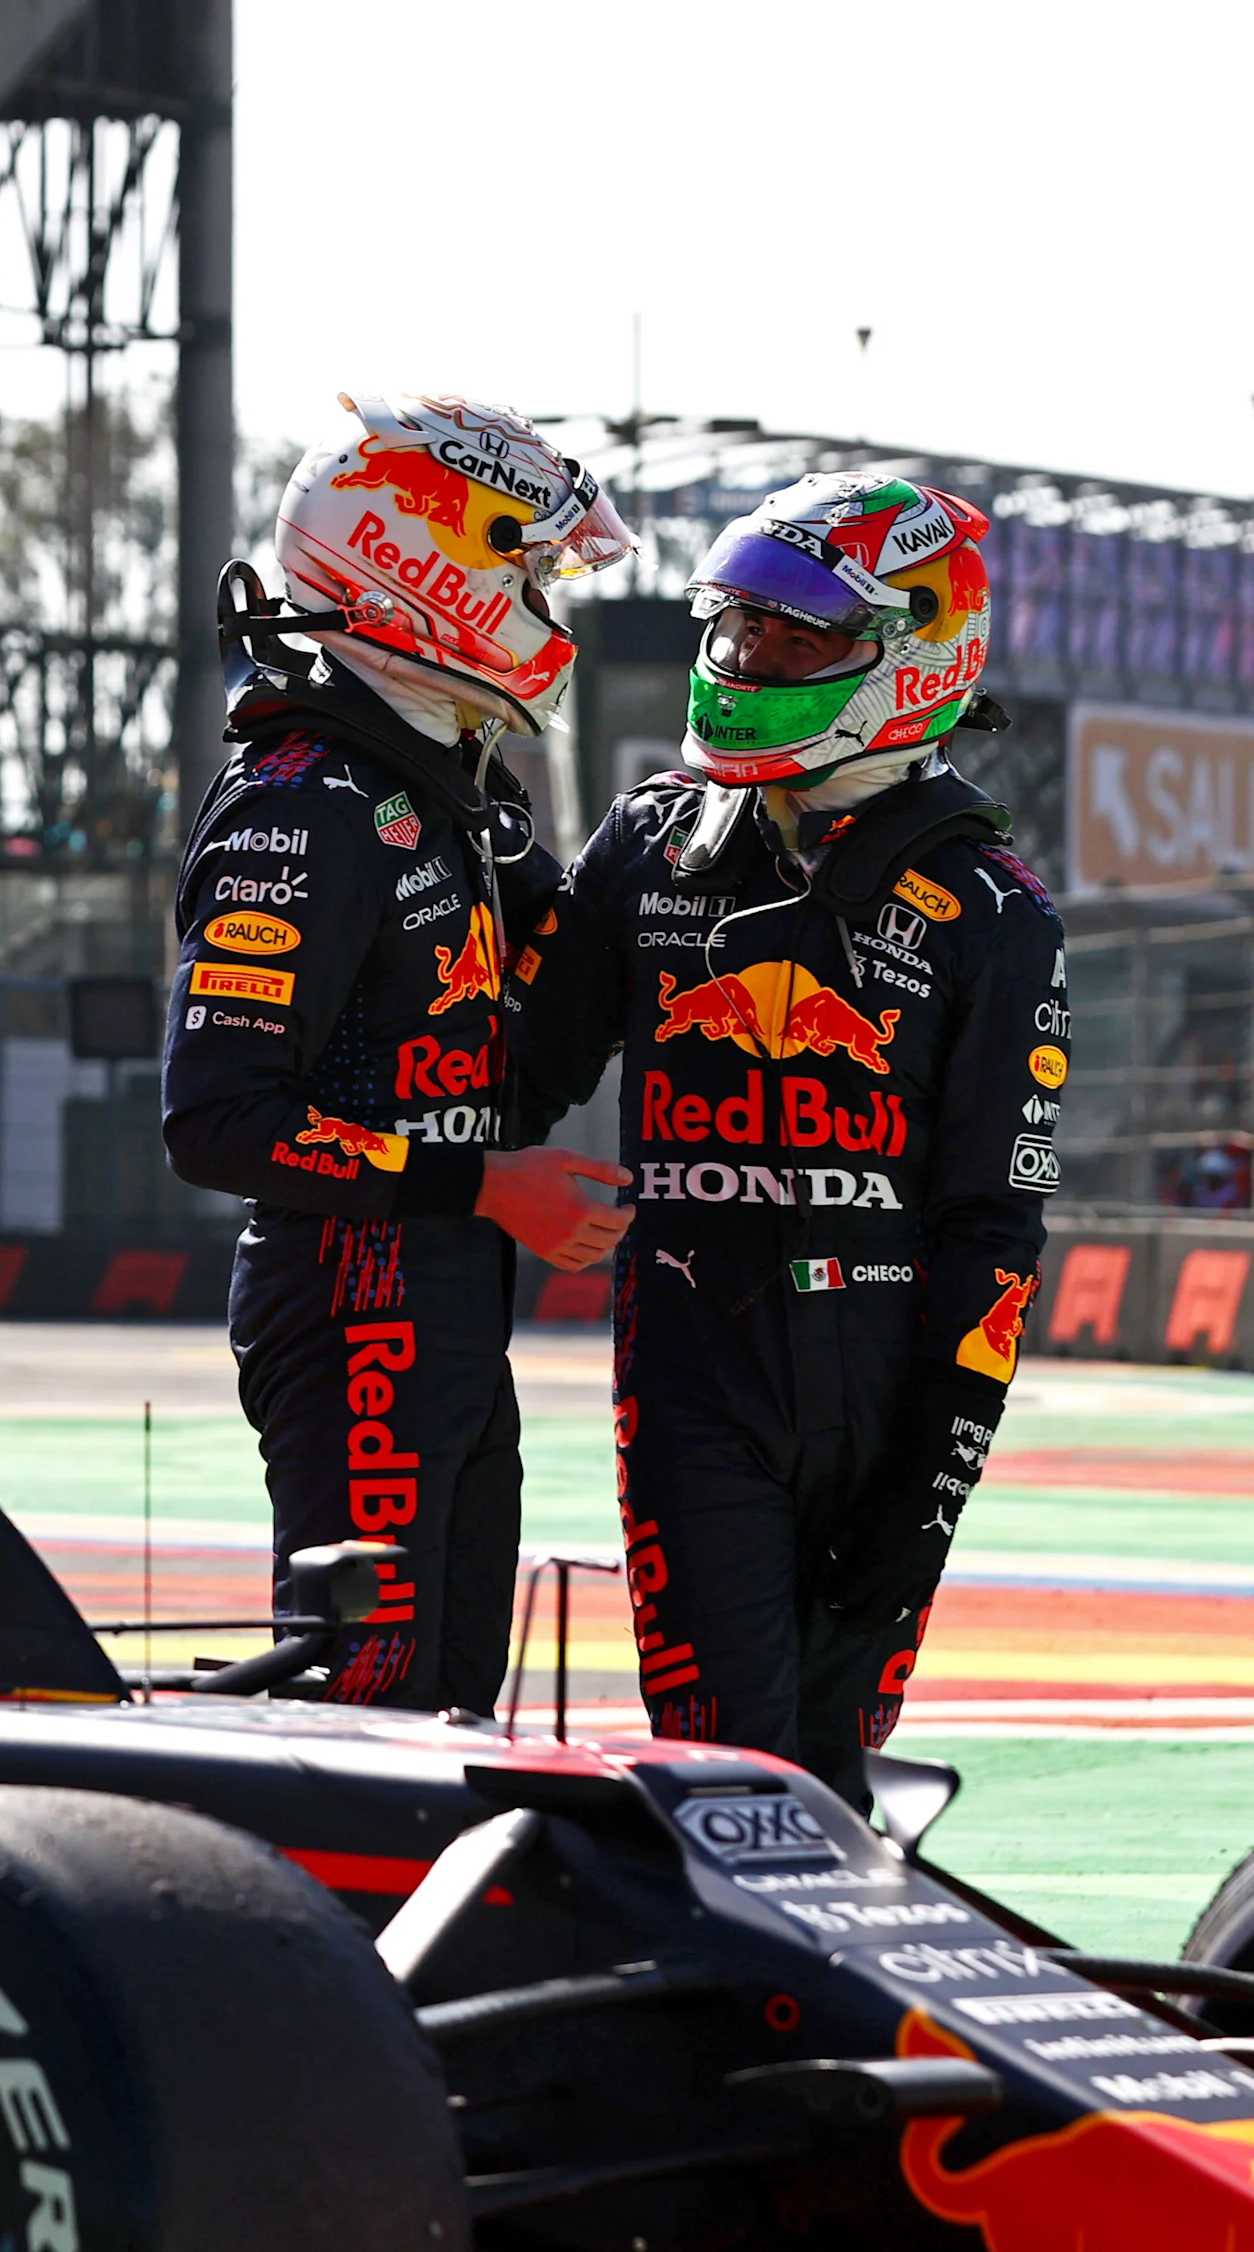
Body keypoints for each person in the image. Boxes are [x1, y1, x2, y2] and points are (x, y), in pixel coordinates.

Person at [507, 473, 1065, 1808]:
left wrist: (932, 1480)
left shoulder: (994, 906)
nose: (751, 659)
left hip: (890, 1395)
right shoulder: (646, 841)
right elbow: (518, 1076)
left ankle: (829, 2017)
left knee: (829, 1773)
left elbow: (996, 1229)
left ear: (913, 649)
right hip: (695, 1360)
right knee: (719, 1774)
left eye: (797, 637)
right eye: (742, 627)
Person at [163, 394, 637, 1713]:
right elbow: (219, 1123)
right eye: (529, 570)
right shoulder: (301, 802)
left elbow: (556, 989)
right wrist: (484, 1187)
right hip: (355, 1293)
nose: (551, 605)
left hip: (448, 1305)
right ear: (422, 566)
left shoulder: (449, 782)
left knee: (455, 1715)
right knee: (368, 1716)